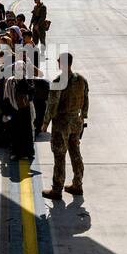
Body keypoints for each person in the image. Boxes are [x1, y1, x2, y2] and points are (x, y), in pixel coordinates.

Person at [42, 52, 88, 199]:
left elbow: (52, 104)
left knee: (59, 155)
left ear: (61, 63)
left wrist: (45, 123)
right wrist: (83, 115)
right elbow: (86, 99)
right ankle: (77, 184)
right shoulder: (81, 79)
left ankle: (57, 189)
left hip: (61, 123)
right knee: (75, 152)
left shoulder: (58, 81)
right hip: (76, 121)